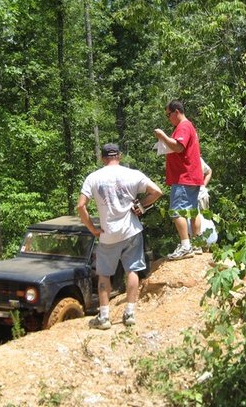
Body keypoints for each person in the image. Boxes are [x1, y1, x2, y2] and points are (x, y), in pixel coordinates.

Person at [77, 143, 163, 330]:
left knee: (104, 275)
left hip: (108, 235)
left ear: (102, 158)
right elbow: (157, 191)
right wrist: (141, 206)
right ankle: (130, 313)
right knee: (132, 270)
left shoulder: (93, 178)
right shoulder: (133, 174)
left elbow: (81, 206)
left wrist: (92, 229)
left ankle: (104, 317)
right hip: (131, 231)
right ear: (120, 156)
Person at [154, 100, 203, 260]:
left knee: (177, 211)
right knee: (192, 211)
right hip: (192, 176)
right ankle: (197, 244)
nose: (168, 118)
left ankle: (186, 246)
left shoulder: (183, 126)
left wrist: (162, 136)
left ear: (176, 112)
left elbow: (178, 147)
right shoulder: (188, 126)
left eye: (168, 115)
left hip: (184, 177)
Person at [192, 157, 213, 255]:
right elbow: (209, 171)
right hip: (198, 194)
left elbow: (209, 172)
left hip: (200, 196)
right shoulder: (197, 158)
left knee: (204, 221)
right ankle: (198, 245)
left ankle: (203, 247)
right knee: (198, 220)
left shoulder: (196, 158)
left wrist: (203, 185)